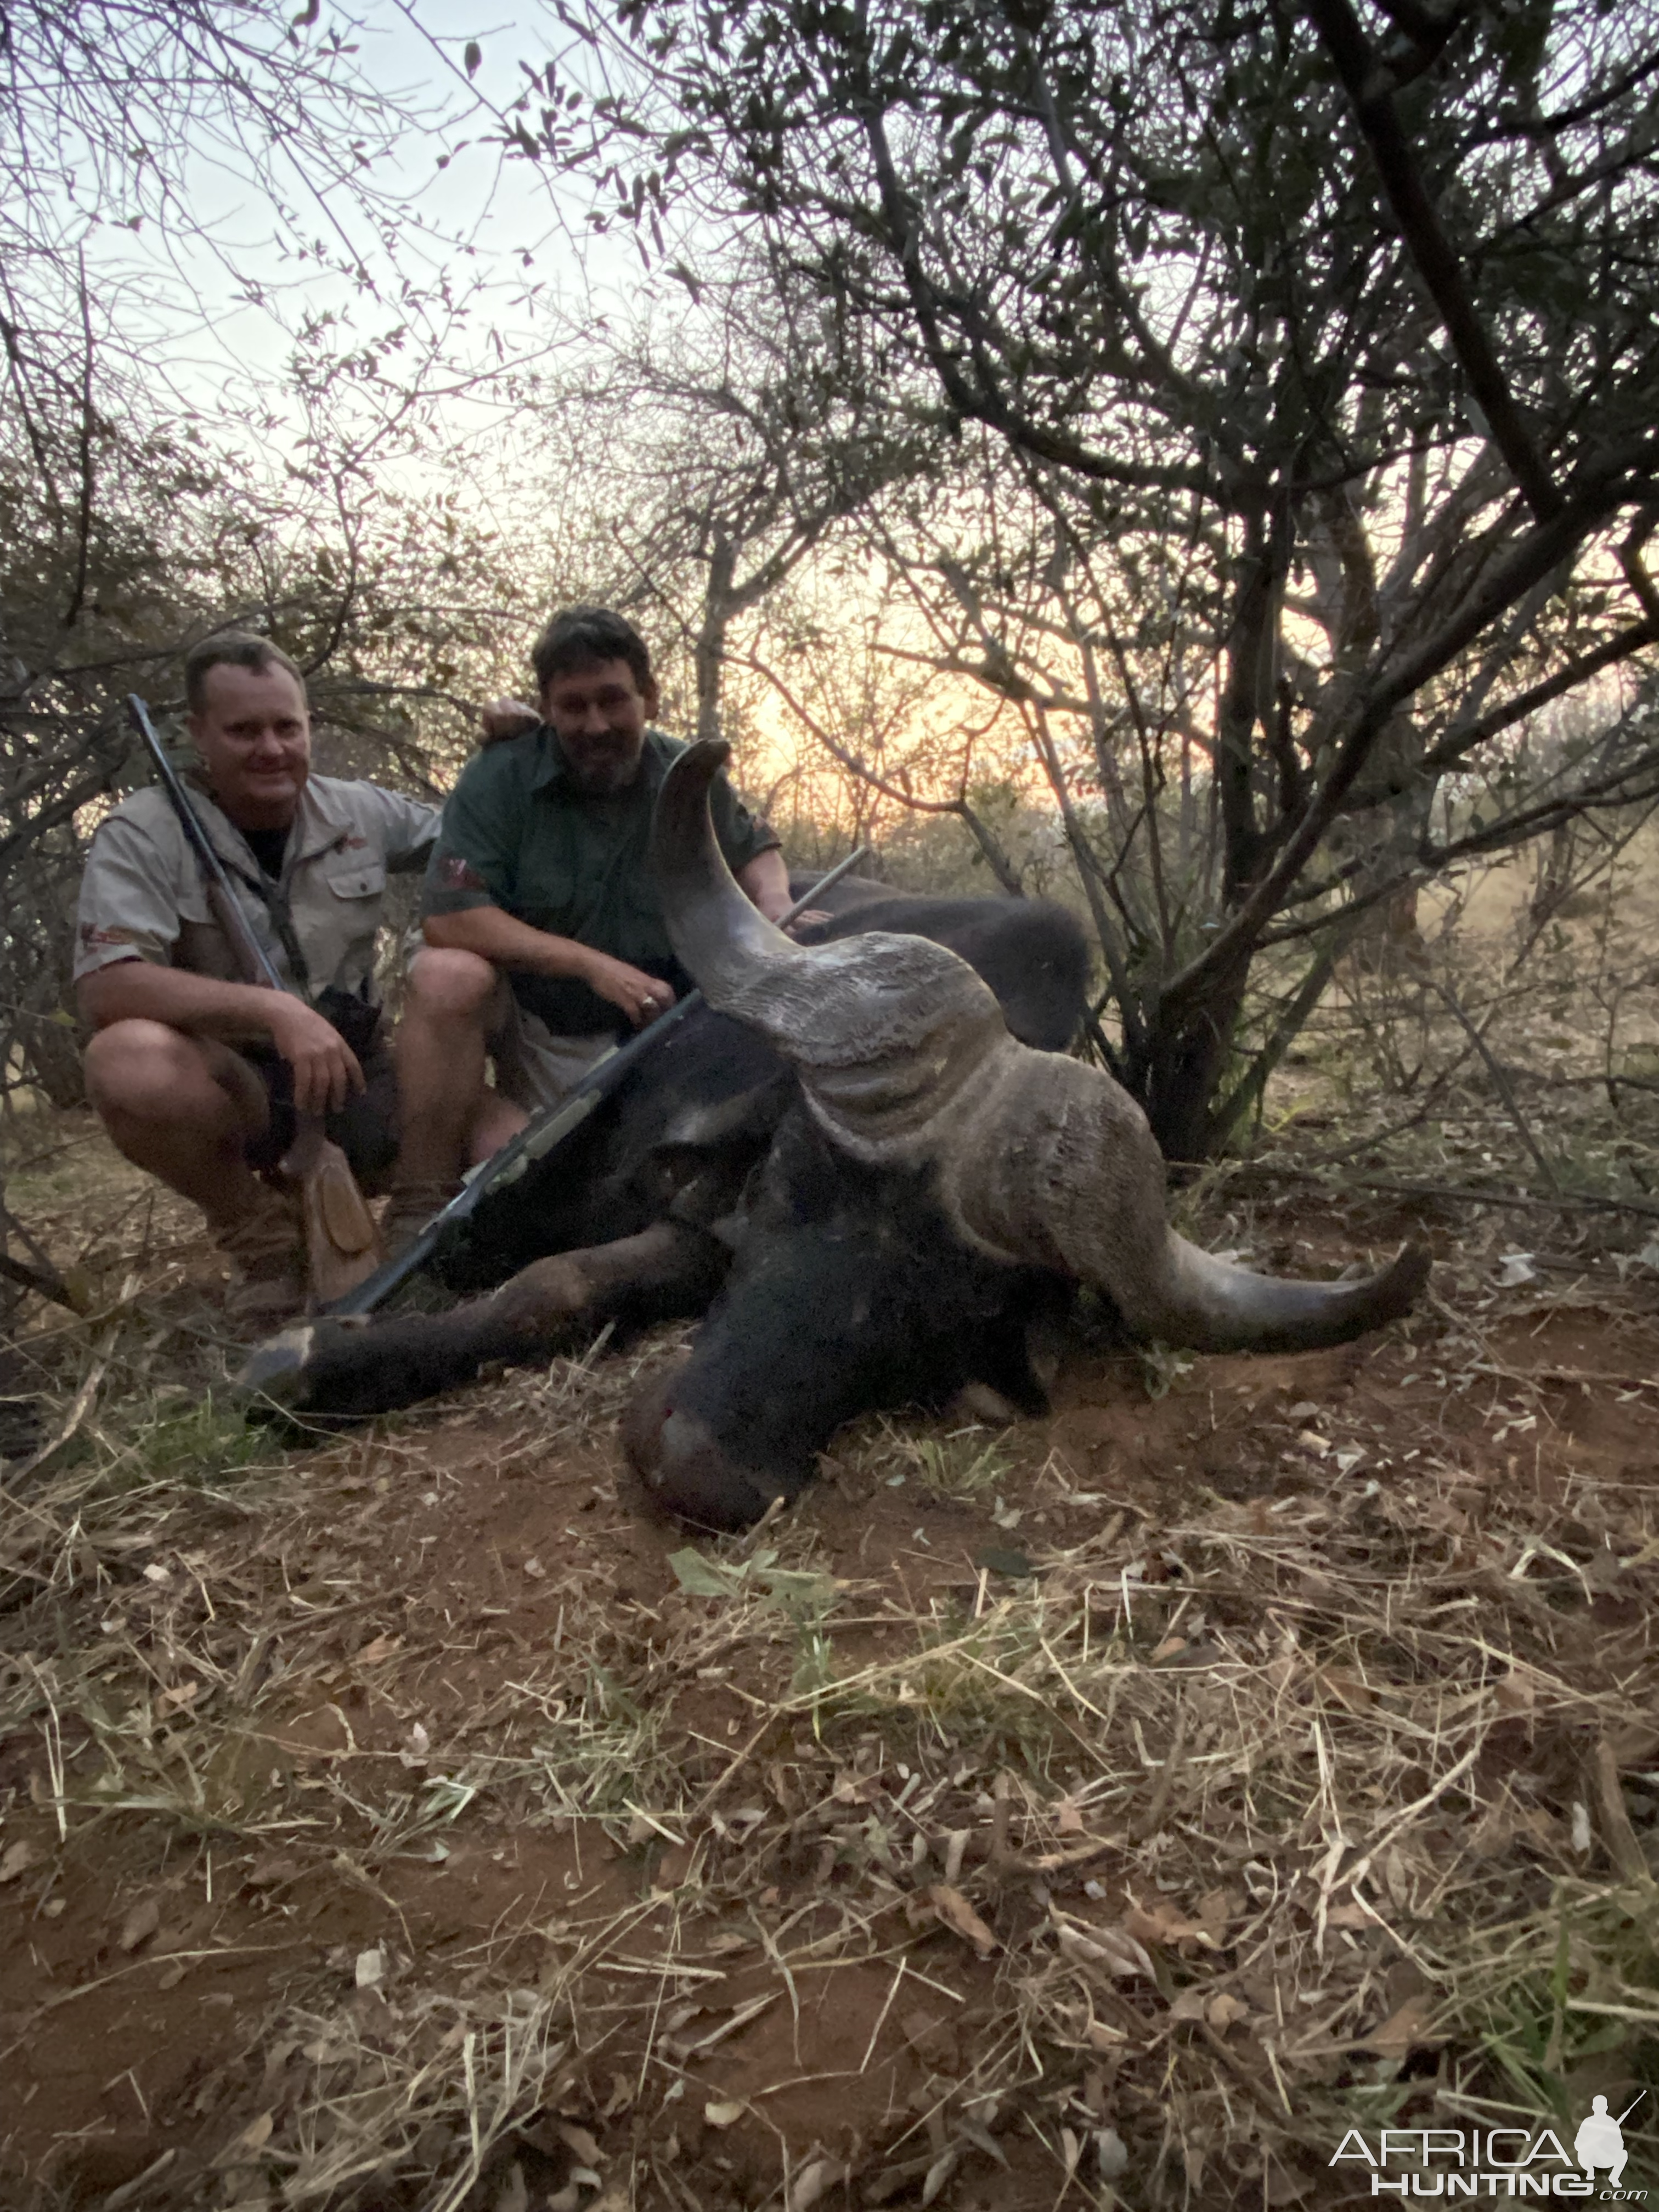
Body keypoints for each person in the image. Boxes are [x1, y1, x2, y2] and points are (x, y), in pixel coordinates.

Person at [384, 606, 792, 1242]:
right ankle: (418, 1204)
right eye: (573, 707)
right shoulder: (501, 774)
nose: (595, 725)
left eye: (613, 701)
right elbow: (452, 917)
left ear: (649, 698)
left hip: (657, 1031)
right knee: (446, 976)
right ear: (546, 707)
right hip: (538, 1021)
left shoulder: (687, 773)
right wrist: (589, 964)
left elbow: (756, 850)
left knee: (567, 1192)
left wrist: (778, 911)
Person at [75, 633, 442, 1322]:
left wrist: (515, 748)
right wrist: (278, 1012)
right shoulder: (142, 832)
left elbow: (472, 839)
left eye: (286, 727)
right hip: (242, 1089)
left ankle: (414, 1221)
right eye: (243, 731)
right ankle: (265, 1243)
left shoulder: (360, 809)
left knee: (502, 1146)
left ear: (310, 728)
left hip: (361, 1074)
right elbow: (108, 987)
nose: (270, 749)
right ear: (197, 735)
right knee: (126, 1063)